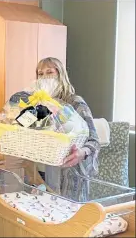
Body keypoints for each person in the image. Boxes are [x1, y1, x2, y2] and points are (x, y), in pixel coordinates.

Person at [34, 57, 101, 201]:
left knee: (71, 220)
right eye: (40, 74)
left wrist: (81, 153)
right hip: (43, 176)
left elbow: (94, 141)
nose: (45, 77)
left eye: (49, 72)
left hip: (71, 177)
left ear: (60, 75)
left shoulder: (75, 103)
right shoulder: (39, 106)